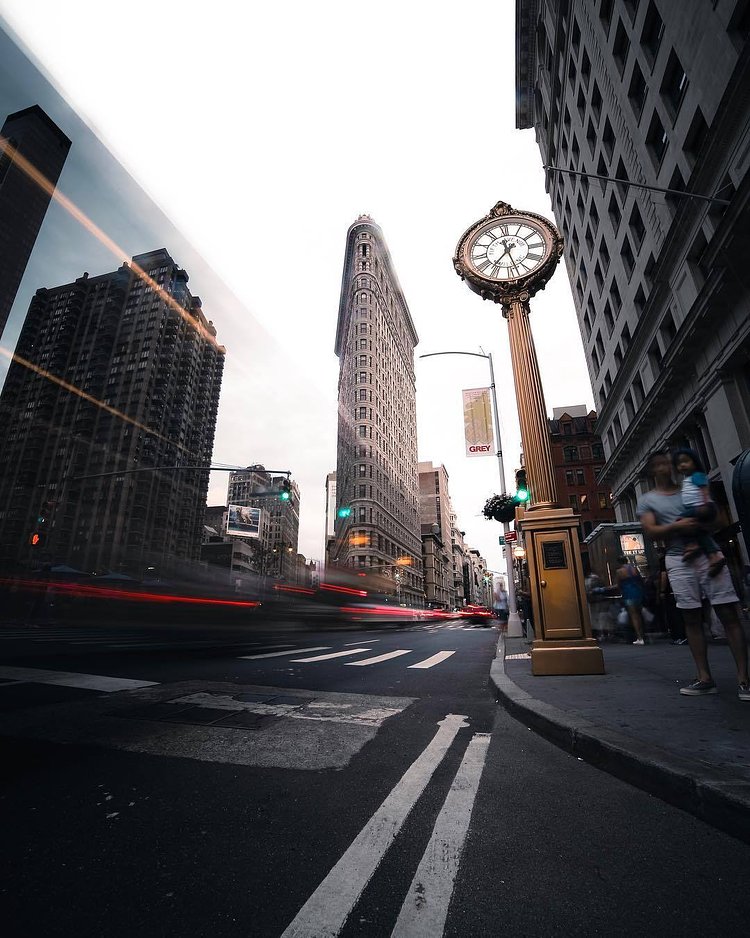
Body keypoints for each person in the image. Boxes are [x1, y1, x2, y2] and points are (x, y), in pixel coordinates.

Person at [637, 451, 750, 698]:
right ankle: (704, 676)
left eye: (667, 462)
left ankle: (744, 679)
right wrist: (678, 526)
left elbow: (718, 519)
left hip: (707, 553)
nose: (664, 468)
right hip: (678, 558)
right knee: (691, 617)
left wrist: (699, 524)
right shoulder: (648, 500)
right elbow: (652, 531)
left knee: (728, 613)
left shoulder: (692, 485)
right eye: (657, 465)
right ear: (651, 471)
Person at [672, 448, 726, 577]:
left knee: (680, 521)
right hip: (698, 508)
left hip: (702, 507)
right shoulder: (688, 479)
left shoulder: (697, 476)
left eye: (686, 461)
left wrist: (706, 503)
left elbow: (704, 490)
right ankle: (714, 557)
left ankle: (692, 545)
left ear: (694, 462)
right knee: (700, 532)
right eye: (679, 464)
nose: (682, 465)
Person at [616, 555, 645, 644]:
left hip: (628, 593)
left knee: (633, 616)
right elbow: (640, 580)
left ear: (619, 563)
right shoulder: (634, 569)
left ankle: (639, 638)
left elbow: (618, 585)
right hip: (638, 592)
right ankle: (642, 635)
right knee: (639, 614)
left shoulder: (619, 571)